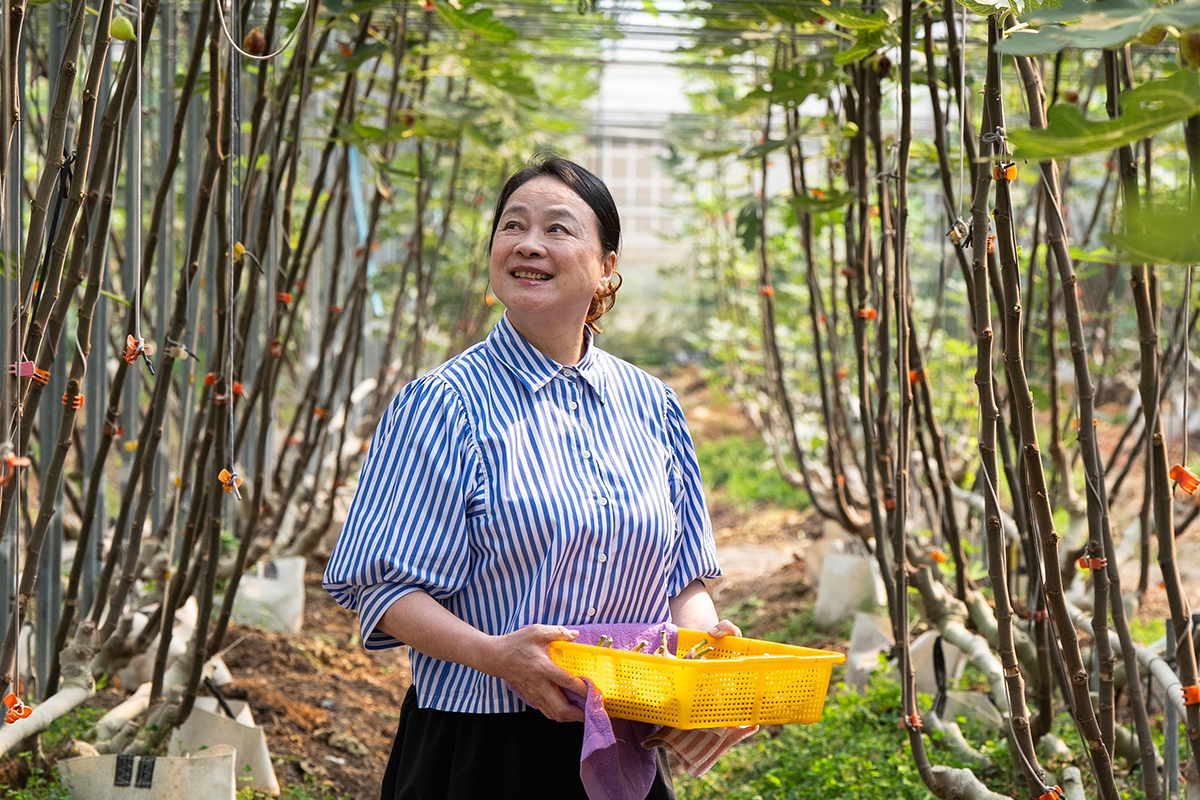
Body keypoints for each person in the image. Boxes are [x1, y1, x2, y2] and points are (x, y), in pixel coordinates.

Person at [323, 155, 739, 800]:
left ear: (606, 270)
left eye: (559, 228)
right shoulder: (442, 403)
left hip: (618, 742)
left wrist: (702, 646)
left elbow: (682, 575)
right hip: (481, 749)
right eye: (512, 226)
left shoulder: (651, 404)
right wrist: (496, 656)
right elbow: (382, 585)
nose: (528, 244)